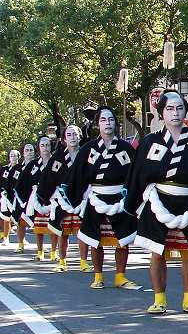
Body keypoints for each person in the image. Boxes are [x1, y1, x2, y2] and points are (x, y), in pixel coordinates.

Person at [124, 90, 188, 314]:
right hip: (159, 201)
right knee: (157, 252)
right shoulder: (150, 141)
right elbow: (138, 173)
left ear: (185, 111)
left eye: (179, 108)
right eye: (169, 108)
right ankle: (159, 299)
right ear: (161, 113)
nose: (175, 113)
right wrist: (135, 202)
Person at [63, 106, 140, 290]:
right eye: (103, 120)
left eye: (111, 119)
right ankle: (98, 276)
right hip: (96, 198)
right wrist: (74, 194)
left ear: (116, 123)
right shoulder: (88, 149)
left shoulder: (125, 149)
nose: (108, 123)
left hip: (119, 198)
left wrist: (134, 197)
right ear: (97, 124)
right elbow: (77, 174)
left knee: (123, 240)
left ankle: (120, 276)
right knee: (95, 240)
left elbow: (135, 174)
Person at [37, 125, 90, 273]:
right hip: (62, 198)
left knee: (82, 232)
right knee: (62, 231)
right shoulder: (58, 157)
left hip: (82, 198)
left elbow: (93, 173)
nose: (72, 137)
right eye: (69, 134)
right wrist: (50, 195)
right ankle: (62, 261)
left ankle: (84, 262)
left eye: (75, 134)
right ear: (64, 139)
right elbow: (49, 177)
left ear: (80, 136)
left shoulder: (87, 154)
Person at [15, 137, 57, 262]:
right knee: (38, 227)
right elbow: (22, 182)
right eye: (42, 145)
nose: (45, 147)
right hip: (37, 198)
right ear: (38, 147)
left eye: (47, 145)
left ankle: (54, 252)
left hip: (54, 197)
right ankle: (40, 252)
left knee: (54, 226)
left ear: (51, 146)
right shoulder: (33, 164)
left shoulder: (57, 162)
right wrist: (26, 197)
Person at [12, 143, 35, 253]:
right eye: (27, 150)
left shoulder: (38, 165)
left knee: (40, 222)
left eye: (31, 150)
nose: (29, 152)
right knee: (20, 222)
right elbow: (13, 182)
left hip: (35, 197)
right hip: (21, 198)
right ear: (23, 153)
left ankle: (42, 248)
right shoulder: (18, 168)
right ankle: (20, 244)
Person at [0, 149, 20, 246]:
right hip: (5, 196)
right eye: (11, 155)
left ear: (18, 157)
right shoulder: (4, 169)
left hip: (16, 196)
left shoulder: (21, 168)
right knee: (6, 217)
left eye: (15, 155)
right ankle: (6, 238)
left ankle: (21, 239)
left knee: (19, 219)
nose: (13, 157)